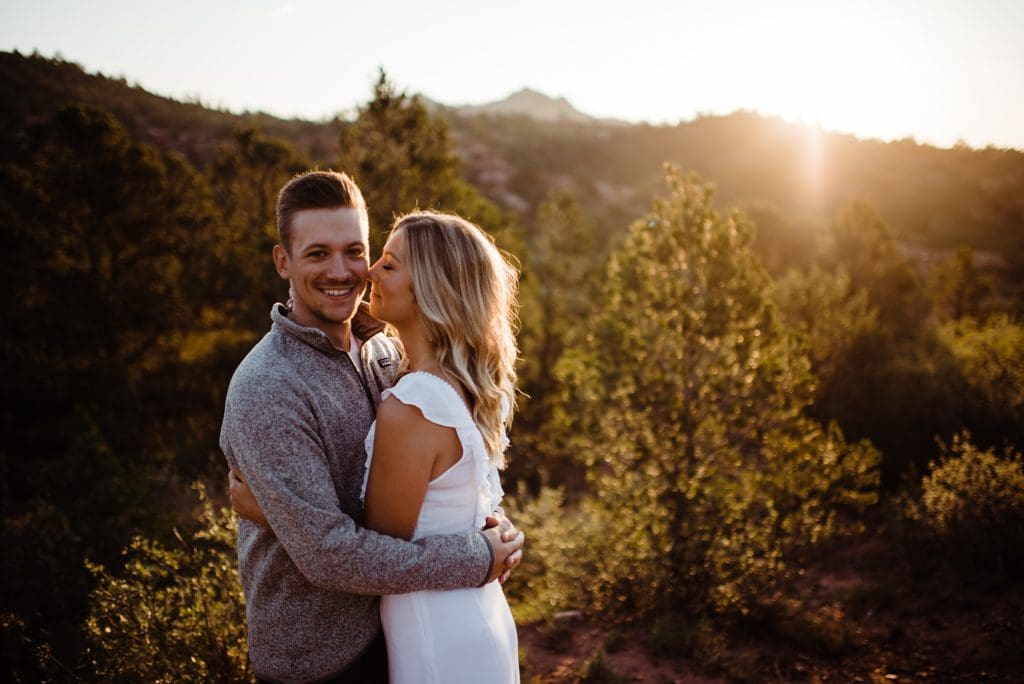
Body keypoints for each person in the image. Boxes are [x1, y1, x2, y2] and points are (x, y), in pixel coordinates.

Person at [220, 170, 523, 683]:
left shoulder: (385, 352)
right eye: (317, 254)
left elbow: (428, 481)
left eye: (356, 251)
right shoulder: (269, 386)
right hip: (323, 659)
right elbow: (329, 557)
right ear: (283, 262)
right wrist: (473, 557)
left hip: (402, 628)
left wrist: (276, 512)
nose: (342, 271)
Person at [360, 211, 521, 683]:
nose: (370, 271)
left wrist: (276, 510)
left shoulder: (416, 402)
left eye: (389, 265)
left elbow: (377, 555)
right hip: (476, 614)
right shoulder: (461, 385)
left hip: (435, 633)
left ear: (431, 287)